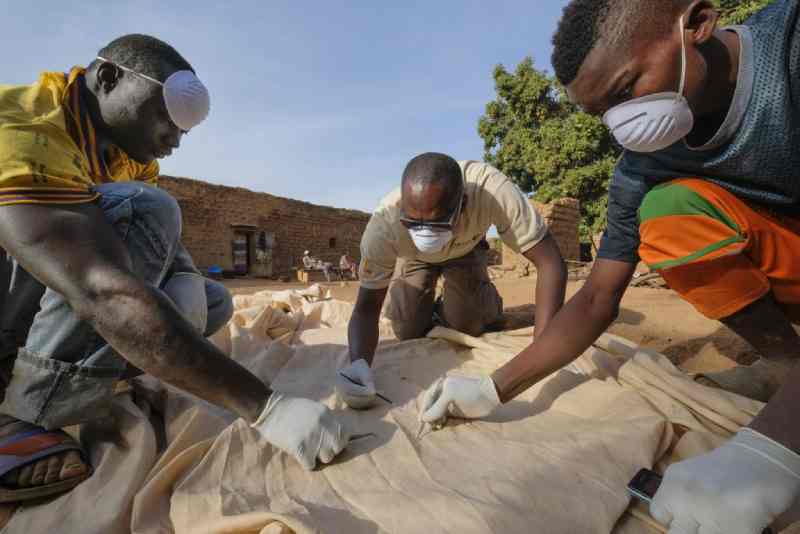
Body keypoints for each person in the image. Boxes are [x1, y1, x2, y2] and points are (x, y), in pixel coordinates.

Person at [420, 2, 800, 532]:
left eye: (625, 91)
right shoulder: (643, 166)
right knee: (667, 215)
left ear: (696, 25)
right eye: (604, 115)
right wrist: (494, 387)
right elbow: (598, 298)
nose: (622, 126)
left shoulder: (791, 51)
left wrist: (774, 451)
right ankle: (788, 364)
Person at [0, 34, 348, 503]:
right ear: (107, 78)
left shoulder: (127, 154)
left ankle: (76, 363)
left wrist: (183, 278)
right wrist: (265, 407)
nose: (175, 140)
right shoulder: (24, 131)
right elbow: (100, 289)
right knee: (148, 210)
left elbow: (153, 255)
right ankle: (25, 414)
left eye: (184, 131)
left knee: (212, 301)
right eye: (166, 118)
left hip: (43, 281)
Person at [336, 152, 567, 409]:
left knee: (466, 325)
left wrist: (541, 353)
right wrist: (359, 366)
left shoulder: (493, 192)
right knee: (407, 329)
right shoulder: (383, 227)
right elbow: (366, 309)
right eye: (413, 223)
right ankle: (432, 308)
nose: (425, 234)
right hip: (413, 258)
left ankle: (475, 305)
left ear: (464, 203)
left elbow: (550, 262)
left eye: (438, 224)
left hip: (465, 251)